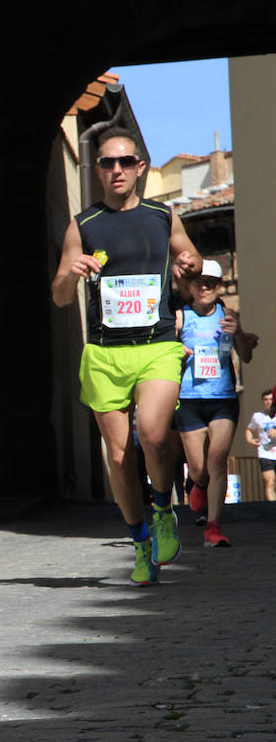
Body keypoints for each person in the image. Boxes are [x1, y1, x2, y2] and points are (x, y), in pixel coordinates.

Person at [51, 126, 201, 586]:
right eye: (107, 163)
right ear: (96, 169)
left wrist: (189, 264)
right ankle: (139, 544)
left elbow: (191, 257)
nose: (116, 169)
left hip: (156, 344)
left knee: (154, 435)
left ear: (140, 168)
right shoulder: (83, 224)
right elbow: (58, 296)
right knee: (118, 457)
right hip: (105, 352)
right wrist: (71, 274)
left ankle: (161, 507)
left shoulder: (163, 215)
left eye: (125, 162)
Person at [175, 260, 252, 547]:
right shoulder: (181, 316)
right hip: (189, 399)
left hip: (223, 398)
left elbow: (245, 356)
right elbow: (165, 351)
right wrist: (176, 349)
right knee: (199, 469)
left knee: (217, 459)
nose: (205, 286)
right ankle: (200, 484)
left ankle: (214, 528)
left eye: (212, 282)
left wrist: (238, 334)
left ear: (219, 286)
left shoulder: (227, 313)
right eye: (200, 282)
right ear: (190, 288)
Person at [245, 387, 276, 501]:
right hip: (265, 454)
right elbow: (249, 429)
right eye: (266, 399)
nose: (269, 401)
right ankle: (273, 508)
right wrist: (250, 440)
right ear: (263, 401)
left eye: (271, 399)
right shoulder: (257, 416)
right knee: (270, 481)